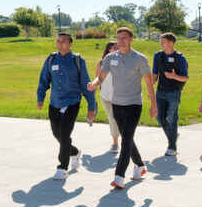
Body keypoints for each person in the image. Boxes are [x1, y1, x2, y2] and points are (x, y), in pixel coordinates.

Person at [88, 27, 157, 189]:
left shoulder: (140, 59)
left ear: (131, 39)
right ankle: (140, 166)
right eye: (118, 38)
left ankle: (119, 176)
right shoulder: (110, 58)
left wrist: (154, 104)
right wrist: (94, 83)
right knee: (128, 138)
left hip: (133, 104)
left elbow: (148, 82)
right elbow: (102, 76)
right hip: (116, 104)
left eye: (124, 38)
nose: (120, 41)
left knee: (125, 141)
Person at [36, 32, 97, 180]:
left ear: (70, 44)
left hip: (72, 103)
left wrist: (91, 105)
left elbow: (86, 84)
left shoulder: (78, 61)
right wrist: (40, 97)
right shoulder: (51, 59)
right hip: (55, 104)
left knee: (64, 135)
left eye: (64, 41)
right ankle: (74, 152)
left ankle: (62, 168)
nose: (60, 43)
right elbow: (44, 79)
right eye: (58, 41)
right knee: (57, 134)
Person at [152, 32, 189, 156]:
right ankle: (172, 135)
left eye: (163, 41)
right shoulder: (157, 56)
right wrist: (151, 91)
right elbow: (154, 75)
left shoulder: (180, 58)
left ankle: (172, 147)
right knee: (159, 117)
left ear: (171, 43)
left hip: (174, 92)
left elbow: (184, 78)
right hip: (160, 92)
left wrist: (174, 76)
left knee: (172, 119)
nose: (160, 44)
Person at [95, 41, 120, 153]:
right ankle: (115, 141)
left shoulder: (121, 61)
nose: (117, 48)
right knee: (112, 118)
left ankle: (116, 142)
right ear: (108, 50)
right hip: (105, 96)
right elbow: (97, 79)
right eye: (115, 47)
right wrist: (92, 98)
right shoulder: (101, 63)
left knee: (114, 117)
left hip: (119, 96)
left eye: (118, 47)